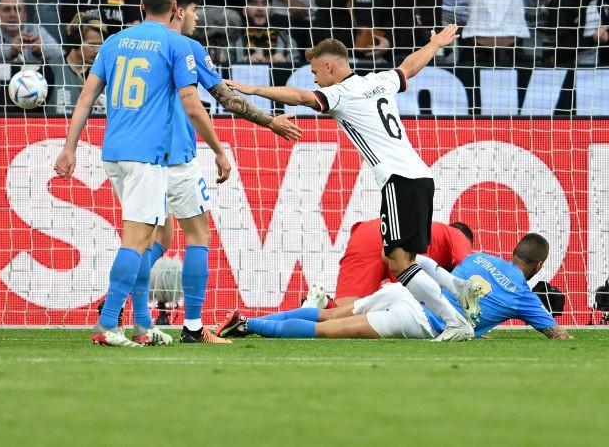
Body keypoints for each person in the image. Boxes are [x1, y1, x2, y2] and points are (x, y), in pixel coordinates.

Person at [226, 27, 479, 342]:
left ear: (330, 66)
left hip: (398, 180)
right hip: (420, 176)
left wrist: (253, 89)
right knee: (403, 259)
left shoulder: (339, 93)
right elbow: (409, 67)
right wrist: (434, 43)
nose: (315, 80)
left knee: (399, 263)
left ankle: (454, 321)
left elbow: (300, 97)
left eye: (316, 72)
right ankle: (459, 288)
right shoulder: (377, 79)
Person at [54, 0, 231, 347]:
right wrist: (218, 148)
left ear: (140, 6)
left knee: (154, 234)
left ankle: (141, 324)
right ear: (176, 9)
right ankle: (107, 324)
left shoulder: (113, 42)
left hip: (115, 152)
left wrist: (69, 148)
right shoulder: (176, 43)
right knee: (137, 239)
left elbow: (86, 97)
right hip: (149, 156)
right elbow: (191, 102)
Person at [127, 0, 303, 346]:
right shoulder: (186, 47)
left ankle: (119, 311)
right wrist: (269, 122)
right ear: (178, 9)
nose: (195, 19)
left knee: (155, 236)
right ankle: (193, 327)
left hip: (138, 155)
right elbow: (224, 98)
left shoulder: (128, 44)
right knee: (198, 236)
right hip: (177, 157)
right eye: (193, 11)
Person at [217, 234, 573, 341]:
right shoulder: (526, 297)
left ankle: (249, 318)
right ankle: (248, 325)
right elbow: (557, 335)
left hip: (404, 290)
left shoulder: (479, 258)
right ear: (539, 266)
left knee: (329, 313)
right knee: (328, 330)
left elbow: (448, 283)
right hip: (416, 318)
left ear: (513, 252)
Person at [332, 220, 474, 307]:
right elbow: (469, 271)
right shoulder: (457, 234)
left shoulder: (435, 234)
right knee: (418, 307)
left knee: (343, 309)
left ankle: (318, 304)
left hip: (367, 235)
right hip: (401, 241)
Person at [48, 14, 106, 115]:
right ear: (75, 42)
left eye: (100, 45)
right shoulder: (50, 70)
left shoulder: (103, 72)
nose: (98, 50)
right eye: (92, 45)